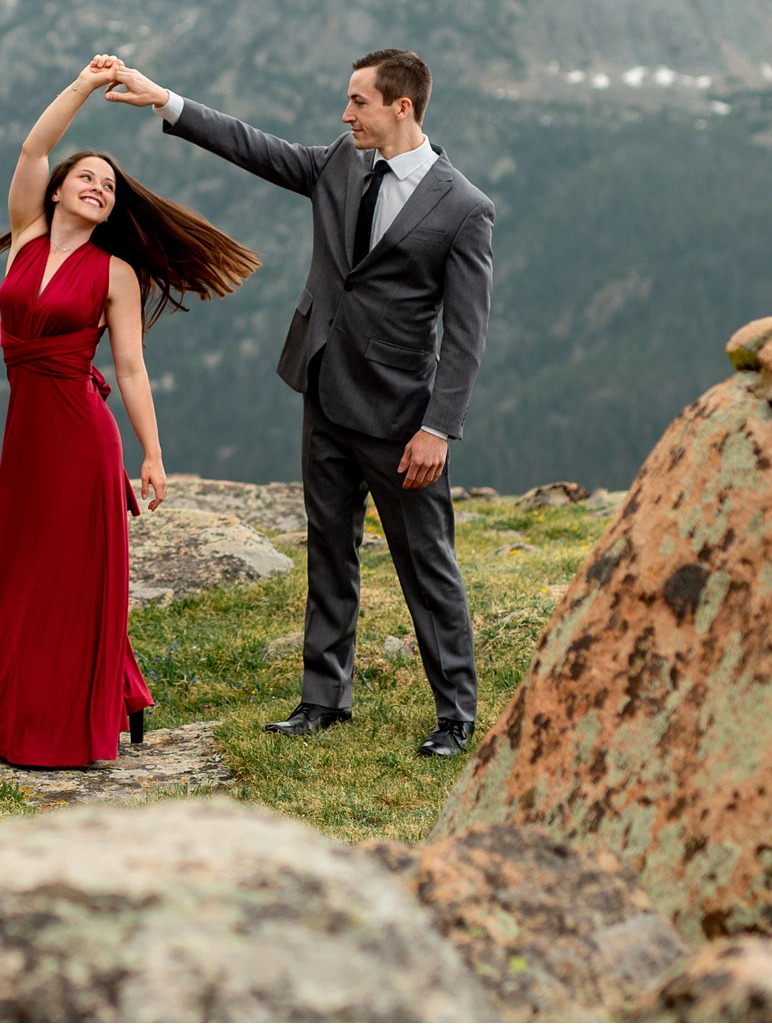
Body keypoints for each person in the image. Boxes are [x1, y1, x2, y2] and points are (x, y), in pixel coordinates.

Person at [105, 50, 494, 759]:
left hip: (403, 417)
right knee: (328, 545)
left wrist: (438, 426)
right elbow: (252, 146)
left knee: (425, 559)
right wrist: (163, 97)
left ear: (401, 106)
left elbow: (466, 335)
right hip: (322, 391)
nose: (345, 115)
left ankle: (456, 713)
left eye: (358, 102)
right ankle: (322, 698)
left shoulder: (464, 208)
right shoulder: (337, 165)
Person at [0, 55, 259, 769]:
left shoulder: (117, 272)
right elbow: (32, 146)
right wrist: (83, 87)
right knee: (20, 570)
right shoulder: (23, 234)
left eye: (109, 186)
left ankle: (59, 723)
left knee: (67, 577)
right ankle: (99, 694)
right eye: (86, 177)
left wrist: (149, 452)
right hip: (25, 435)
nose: (97, 187)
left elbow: (131, 369)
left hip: (81, 437)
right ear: (56, 191)